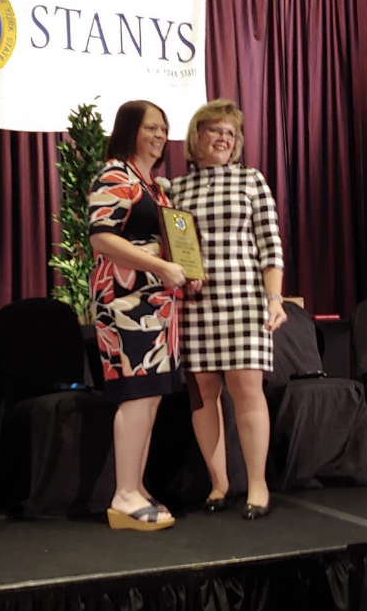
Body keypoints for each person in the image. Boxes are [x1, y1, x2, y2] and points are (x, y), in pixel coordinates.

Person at [169, 99, 286, 520]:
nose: (222, 137)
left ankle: (257, 485)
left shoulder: (251, 181)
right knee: (203, 396)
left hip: (244, 300)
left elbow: (271, 248)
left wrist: (274, 299)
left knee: (247, 390)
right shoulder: (174, 189)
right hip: (195, 304)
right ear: (196, 136)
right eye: (214, 130)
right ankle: (219, 483)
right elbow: (174, 248)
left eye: (230, 133)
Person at [88, 100, 190, 531]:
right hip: (126, 301)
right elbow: (102, 239)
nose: (160, 134)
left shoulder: (156, 186)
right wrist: (162, 266)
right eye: (151, 127)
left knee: (149, 396)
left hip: (157, 305)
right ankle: (124, 494)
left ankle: (136, 486)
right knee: (136, 395)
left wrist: (186, 272)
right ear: (130, 129)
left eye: (164, 128)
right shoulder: (115, 174)